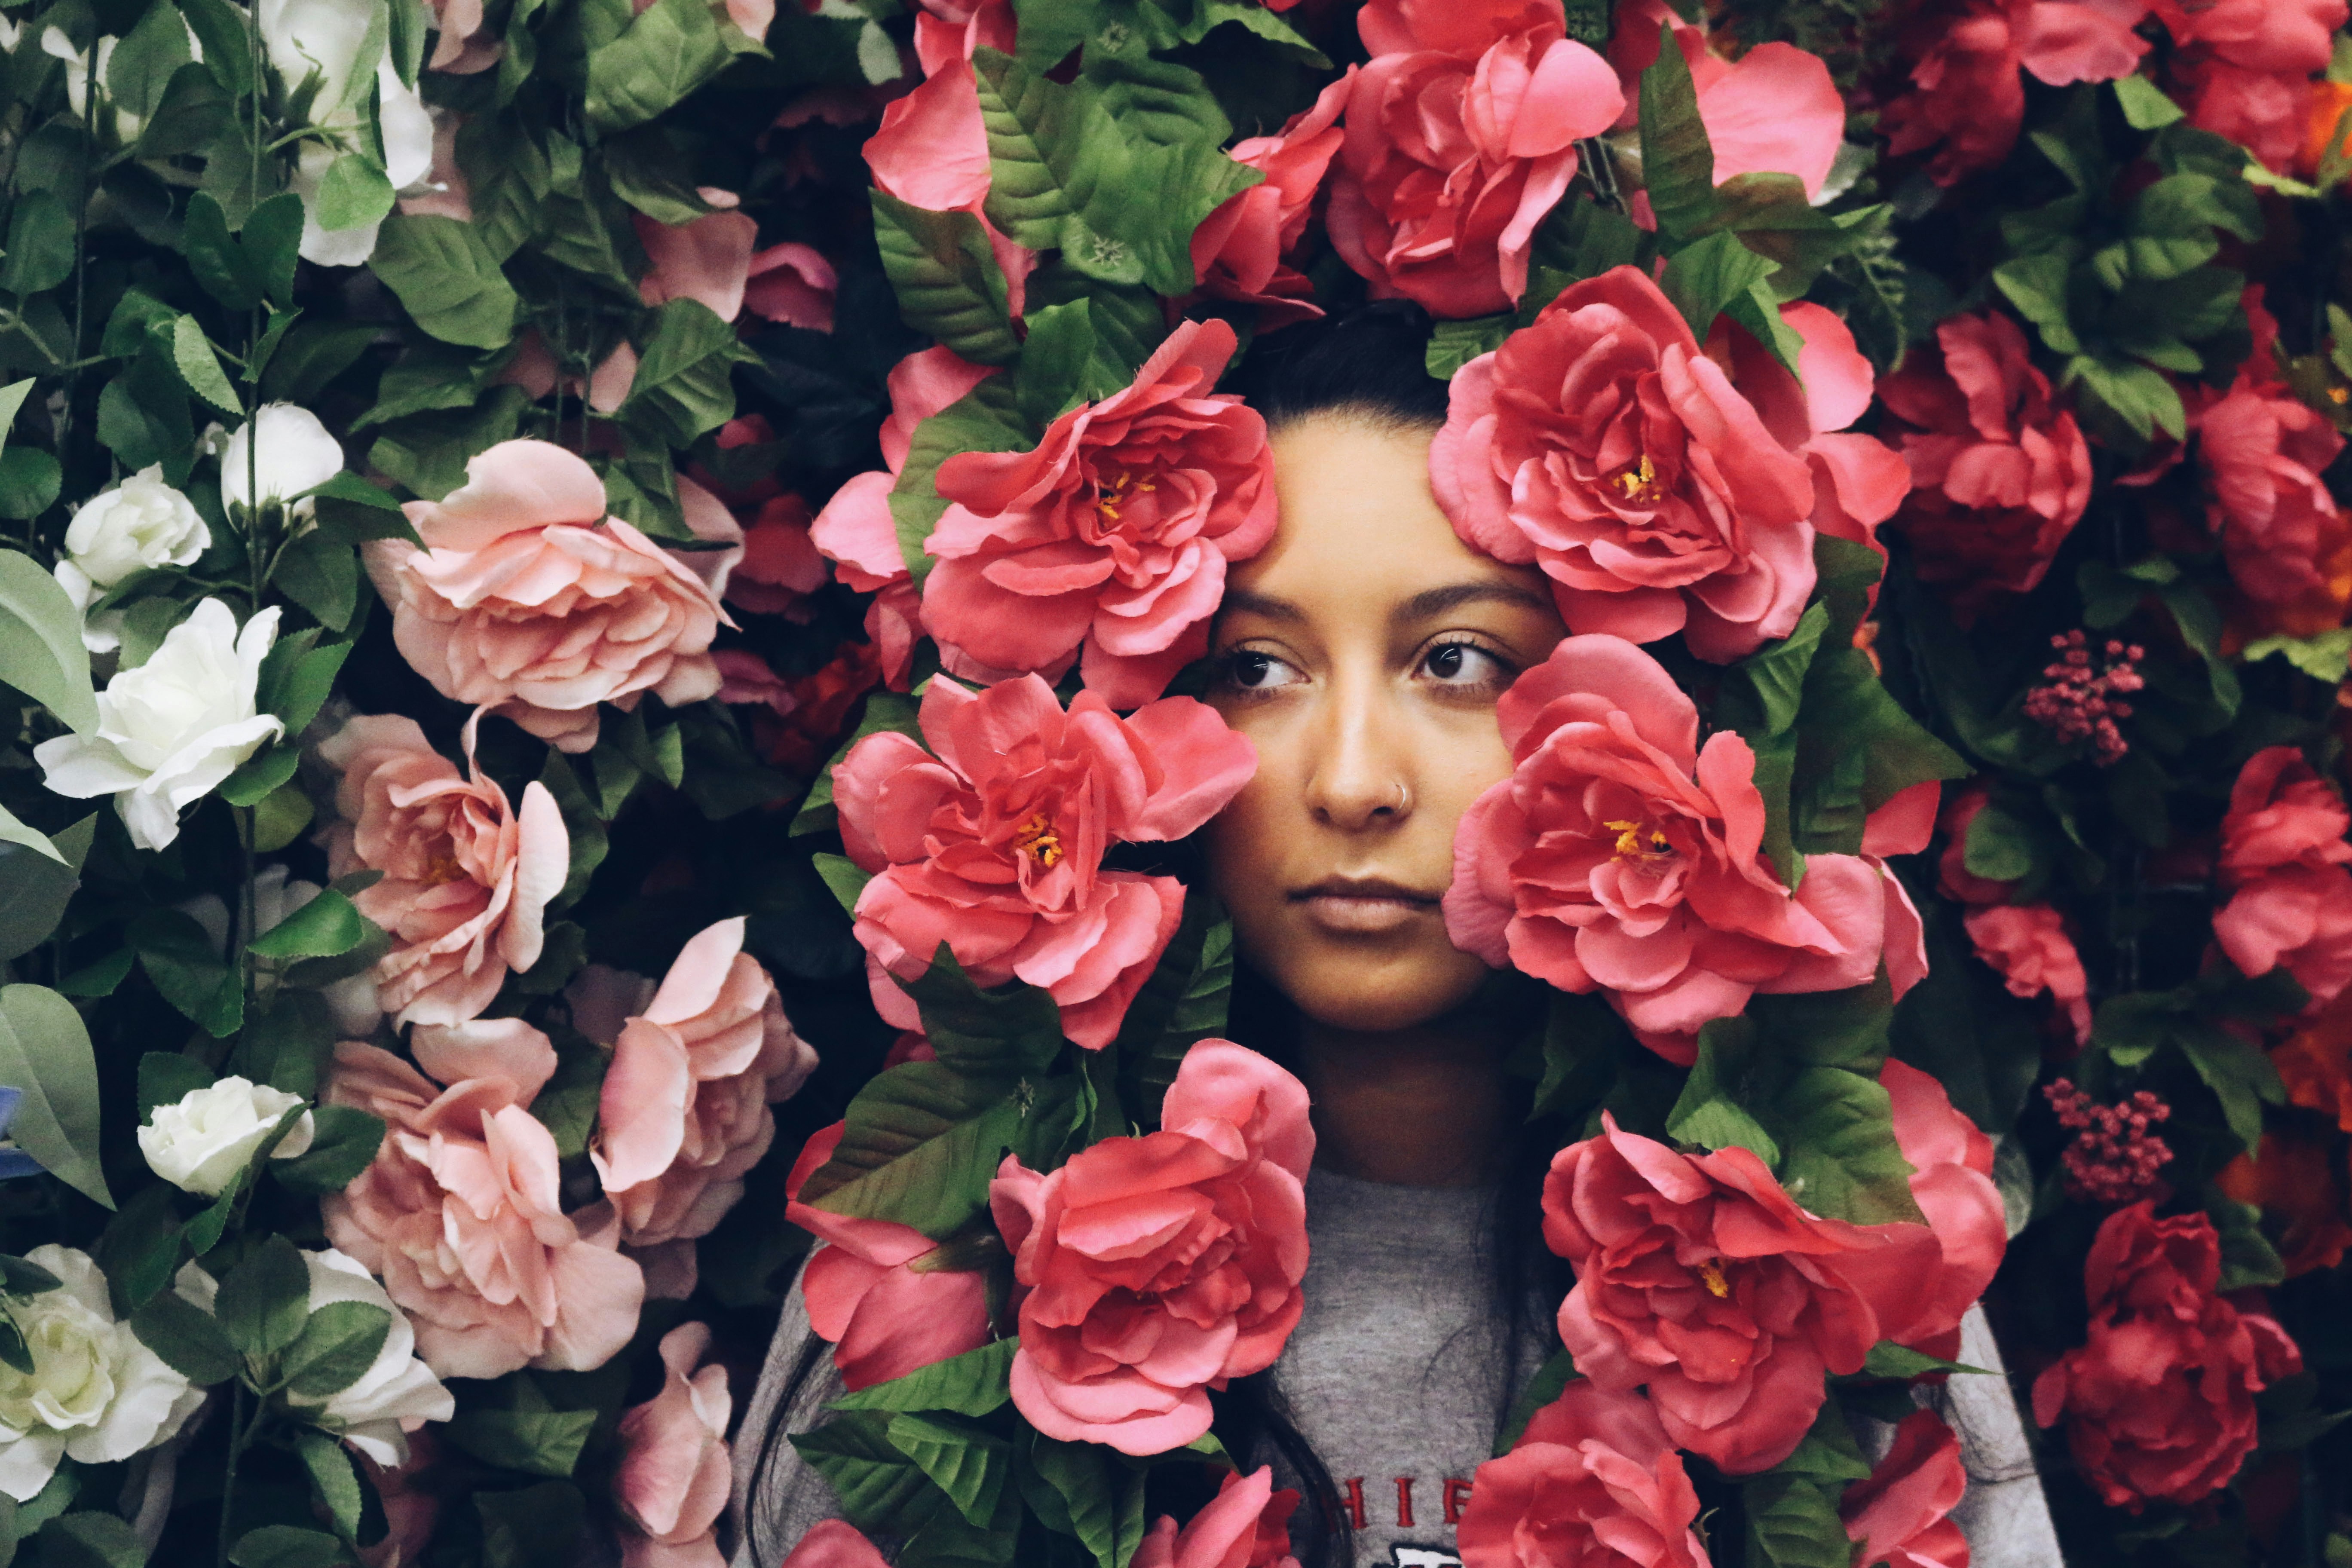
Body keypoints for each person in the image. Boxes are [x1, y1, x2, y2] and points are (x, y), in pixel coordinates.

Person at [730, 306, 2060, 1568]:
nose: (1354, 780)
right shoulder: (953, 1265)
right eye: (1255, 667)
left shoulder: (1827, 1264)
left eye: (1459, 662)